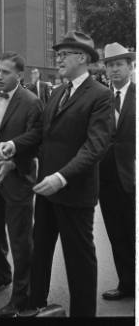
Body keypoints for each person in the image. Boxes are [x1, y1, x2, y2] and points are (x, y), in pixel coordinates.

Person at [28, 30, 113, 317]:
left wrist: (61, 177)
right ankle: (34, 305)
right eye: (59, 54)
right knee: (39, 252)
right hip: (47, 190)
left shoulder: (100, 96)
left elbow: (95, 147)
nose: (59, 59)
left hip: (74, 192)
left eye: (64, 54)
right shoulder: (58, 91)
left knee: (79, 261)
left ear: (82, 57)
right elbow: (41, 131)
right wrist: (13, 148)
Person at [0, 52, 43, 317]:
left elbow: (37, 138)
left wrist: (14, 159)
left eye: (5, 72)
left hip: (17, 174)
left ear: (20, 75)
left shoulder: (32, 102)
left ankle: (20, 295)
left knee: (19, 239)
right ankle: (1, 275)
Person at [99, 43, 135, 301]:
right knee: (117, 235)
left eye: (118, 64)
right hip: (108, 180)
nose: (113, 69)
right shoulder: (101, 97)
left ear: (130, 66)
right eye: (110, 65)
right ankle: (126, 284)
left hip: (133, 176)